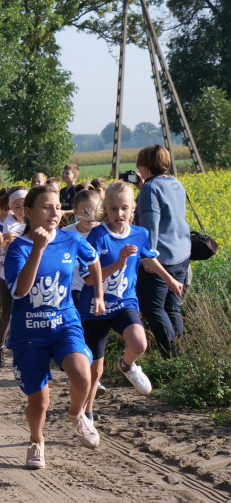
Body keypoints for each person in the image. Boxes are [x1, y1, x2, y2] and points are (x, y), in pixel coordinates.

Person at [4, 185, 105, 470]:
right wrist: (38, 248)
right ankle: (36, 440)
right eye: (46, 207)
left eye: (57, 207)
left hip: (65, 324)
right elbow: (20, 292)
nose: (54, 212)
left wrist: (98, 294)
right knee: (39, 403)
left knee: (83, 374)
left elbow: (94, 261)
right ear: (28, 213)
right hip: (29, 333)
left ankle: (77, 415)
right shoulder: (18, 248)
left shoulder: (70, 241)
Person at [79, 181, 184, 422]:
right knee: (95, 371)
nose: (119, 214)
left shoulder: (140, 234)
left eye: (124, 208)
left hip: (124, 302)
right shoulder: (98, 235)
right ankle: (87, 414)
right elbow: (88, 279)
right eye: (114, 209)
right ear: (106, 208)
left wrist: (169, 280)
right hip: (96, 307)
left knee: (139, 343)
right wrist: (119, 263)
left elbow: (148, 258)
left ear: (133, 208)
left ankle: (126, 365)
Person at [133, 144, 191, 356]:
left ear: (146, 167)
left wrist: (149, 258)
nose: (138, 169)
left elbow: (151, 227)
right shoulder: (175, 183)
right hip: (182, 254)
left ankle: (172, 356)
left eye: (139, 165)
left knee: (153, 308)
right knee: (172, 308)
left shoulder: (150, 188)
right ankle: (180, 355)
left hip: (161, 257)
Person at [0, 187, 27, 369]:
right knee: (8, 314)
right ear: (11, 208)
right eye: (17, 207)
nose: (22, 211)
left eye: (25, 206)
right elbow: (10, 240)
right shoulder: (9, 223)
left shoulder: (36, 220)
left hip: (32, 276)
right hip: (9, 277)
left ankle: (28, 349)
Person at [60, 188, 102, 307]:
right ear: (76, 211)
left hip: (99, 286)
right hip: (74, 288)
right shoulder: (66, 233)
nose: (91, 216)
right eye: (86, 212)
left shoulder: (103, 232)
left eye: (95, 211)